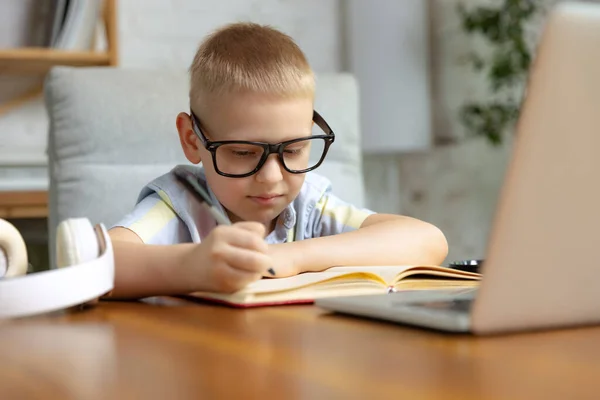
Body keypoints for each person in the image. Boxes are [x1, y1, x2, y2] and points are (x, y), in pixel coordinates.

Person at [108, 22, 448, 299]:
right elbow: (101, 262)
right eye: (243, 153)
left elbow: (428, 241)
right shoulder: (179, 204)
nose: (272, 178)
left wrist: (289, 258)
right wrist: (191, 267)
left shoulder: (308, 205)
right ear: (192, 140)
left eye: (293, 150)